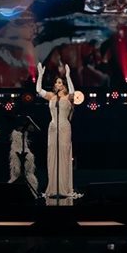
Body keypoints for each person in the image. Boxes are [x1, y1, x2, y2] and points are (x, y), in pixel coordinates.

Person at [36, 61, 76, 200]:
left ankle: (64, 187)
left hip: (64, 127)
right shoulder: (52, 97)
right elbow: (38, 90)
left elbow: (73, 92)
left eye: (59, 82)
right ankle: (53, 187)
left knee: (63, 156)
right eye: (56, 83)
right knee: (53, 156)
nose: (57, 84)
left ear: (63, 85)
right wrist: (40, 75)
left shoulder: (68, 97)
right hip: (53, 127)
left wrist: (68, 76)